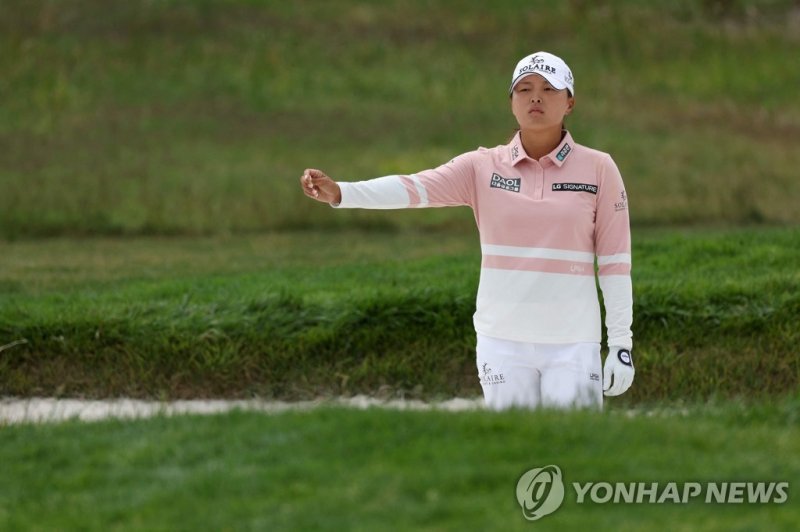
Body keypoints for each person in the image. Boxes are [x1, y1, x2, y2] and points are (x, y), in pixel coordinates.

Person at [300, 51, 634, 410]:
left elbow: (615, 264)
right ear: (512, 101)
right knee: (514, 457)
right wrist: (342, 192)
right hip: (501, 342)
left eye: (549, 89)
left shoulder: (599, 169)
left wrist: (621, 344)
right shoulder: (480, 167)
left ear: (569, 102)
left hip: (574, 343)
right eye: (524, 88)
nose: (535, 96)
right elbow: (413, 188)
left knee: (572, 456)